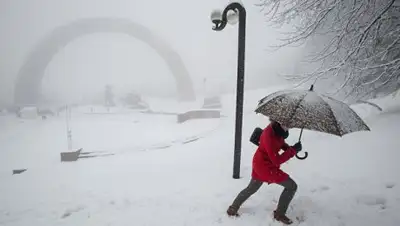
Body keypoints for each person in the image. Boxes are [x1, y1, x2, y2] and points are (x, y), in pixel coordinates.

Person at [226, 120, 302, 225]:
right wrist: (292, 151)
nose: (289, 127)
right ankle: (279, 214)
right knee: (292, 186)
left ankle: (233, 208)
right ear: (280, 122)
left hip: (260, 163)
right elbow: (276, 160)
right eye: (287, 125)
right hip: (266, 167)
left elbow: (280, 142)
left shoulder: (276, 129)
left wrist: (290, 148)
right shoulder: (269, 136)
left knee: (251, 188)